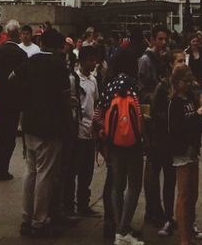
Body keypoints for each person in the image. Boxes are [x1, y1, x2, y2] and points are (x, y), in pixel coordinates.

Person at [20, 27, 72, 238]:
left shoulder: (30, 61)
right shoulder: (58, 65)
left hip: (30, 123)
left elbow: (14, 80)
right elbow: (64, 98)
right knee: (45, 174)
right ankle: (39, 220)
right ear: (58, 47)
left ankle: (26, 216)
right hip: (50, 125)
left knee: (30, 171)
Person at [102, 46, 144, 245]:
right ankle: (123, 229)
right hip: (133, 141)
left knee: (116, 186)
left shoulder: (109, 83)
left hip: (113, 141)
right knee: (134, 184)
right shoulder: (133, 84)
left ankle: (120, 229)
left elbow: (101, 111)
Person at [139, 26, 174, 231]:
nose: (163, 42)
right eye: (159, 39)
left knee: (160, 165)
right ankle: (152, 208)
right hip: (153, 119)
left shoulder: (162, 59)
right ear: (152, 39)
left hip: (162, 119)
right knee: (152, 166)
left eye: (165, 39)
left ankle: (159, 210)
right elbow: (142, 89)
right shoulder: (145, 60)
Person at [167, 64, 202, 245]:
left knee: (193, 193)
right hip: (181, 150)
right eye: (185, 80)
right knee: (183, 195)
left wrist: (200, 115)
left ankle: (189, 232)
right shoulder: (175, 102)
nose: (189, 83)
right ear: (176, 82)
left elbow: (197, 127)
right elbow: (176, 130)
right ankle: (183, 238)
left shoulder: (190, 98)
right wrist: (197, 116)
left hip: (193, 149)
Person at [0, 19, 26, 181]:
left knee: (2, 134)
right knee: (9, 136)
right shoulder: (21, 54)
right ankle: (3, 168)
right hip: (14, 100)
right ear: (18, 34)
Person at [71, 46, 99, 217]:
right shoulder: (74, 79)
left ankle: (83, 203)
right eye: (90, 60)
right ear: (81, 61)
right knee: (75, 168)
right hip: (78, 131)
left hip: (90, 131)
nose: (94, 63)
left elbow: (95, 103)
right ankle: (71, 202)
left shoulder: (93, 80)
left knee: (87, 171)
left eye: (94, 60)